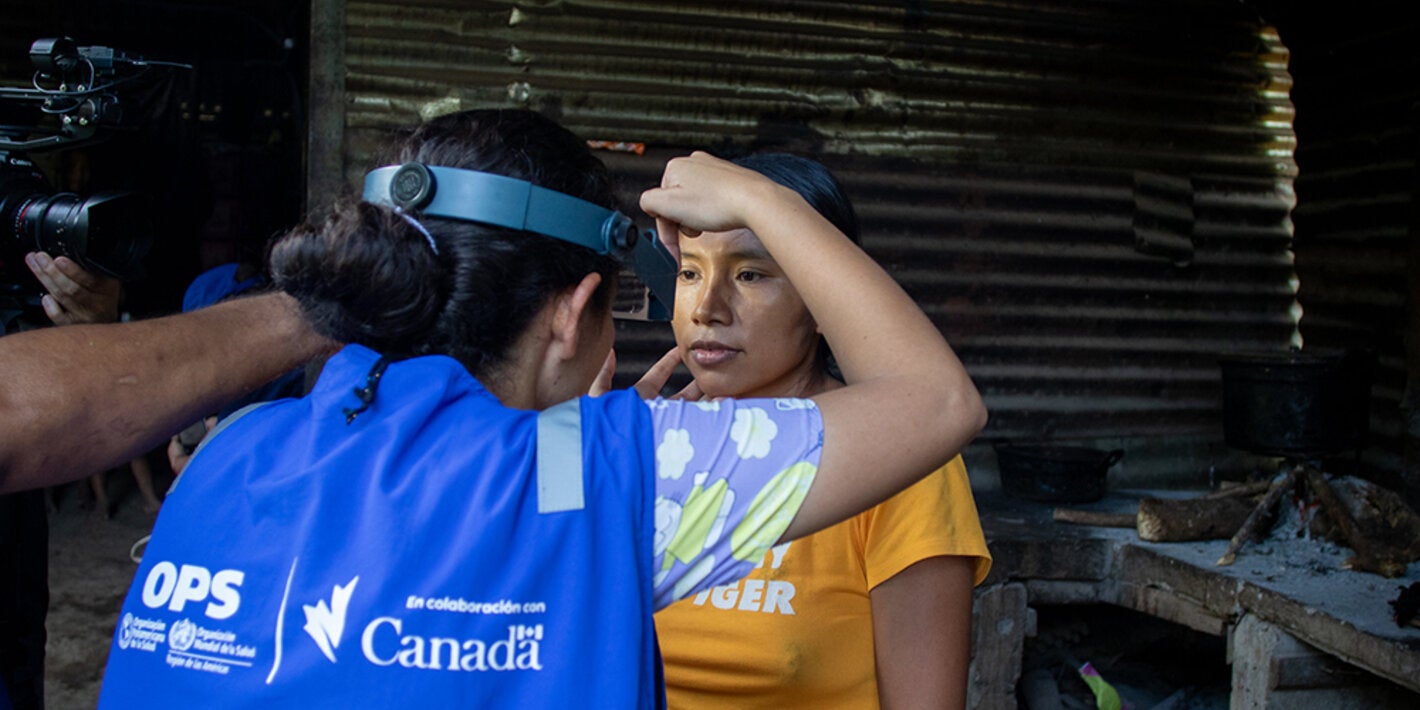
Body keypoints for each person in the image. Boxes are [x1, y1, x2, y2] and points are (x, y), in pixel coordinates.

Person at [92, 108, 984, 708]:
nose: (706, 306)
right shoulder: (616, 467)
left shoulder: (231, 452)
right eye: (677, 279)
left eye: (751, 273)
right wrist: (760, 197)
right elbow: (936, 399)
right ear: (570, 314)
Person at [650, 154, 991, 709]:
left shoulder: (901, 459)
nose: (706, 308)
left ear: (820, 299)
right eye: (690, 271)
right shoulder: (647, 445)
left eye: (751, 273)